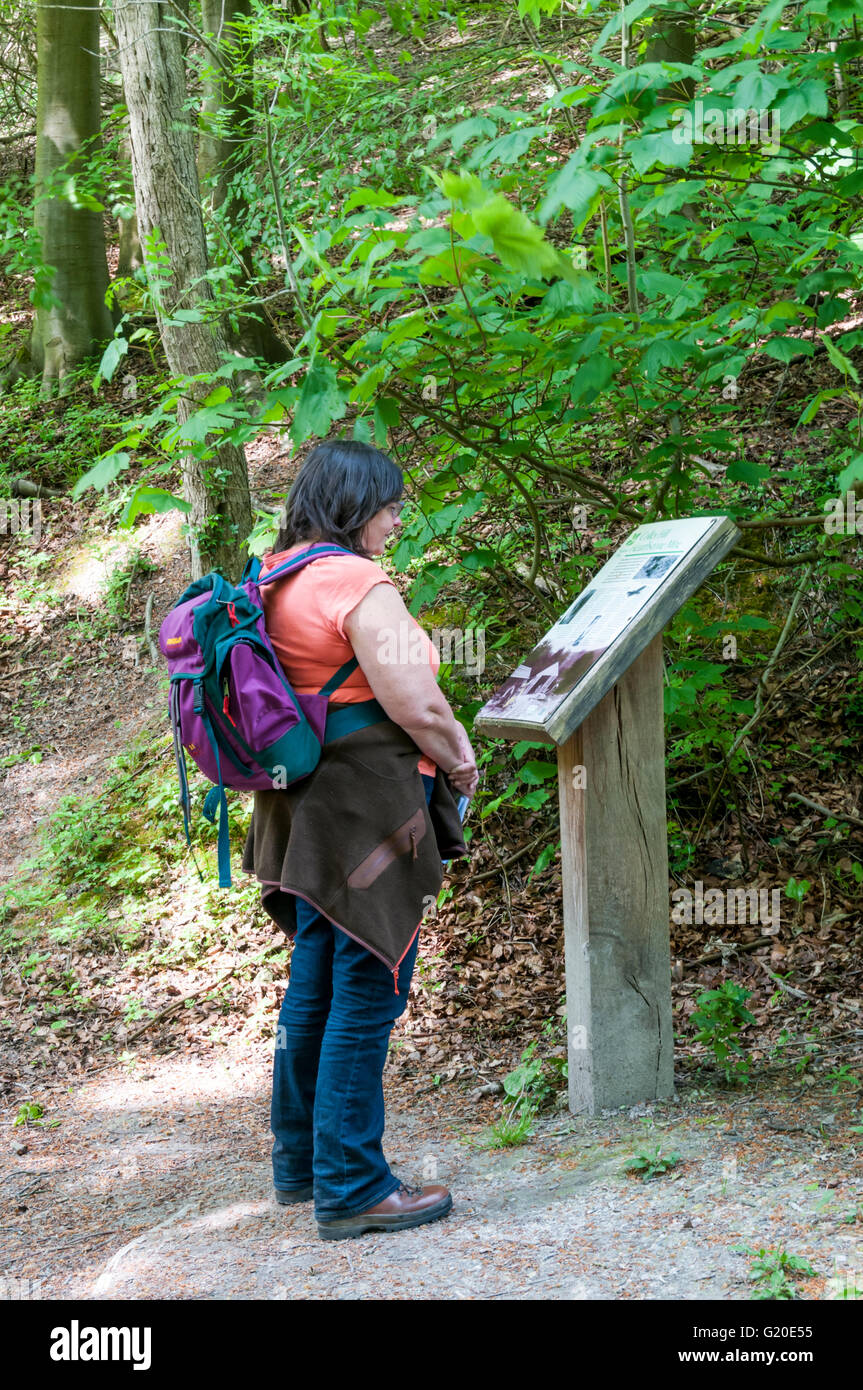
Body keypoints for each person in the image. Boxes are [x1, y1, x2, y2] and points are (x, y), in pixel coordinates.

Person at [241, 439, 479, 1241]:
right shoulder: (354, 581)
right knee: (369, 982)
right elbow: (417, 701)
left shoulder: (273, 575)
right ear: (354, 505)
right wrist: (459, 759)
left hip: (301, 803)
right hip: (367, 808)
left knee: (315, 980)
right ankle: (352, 1186)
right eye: (388, 504)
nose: (396, 519)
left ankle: (301, 1163)